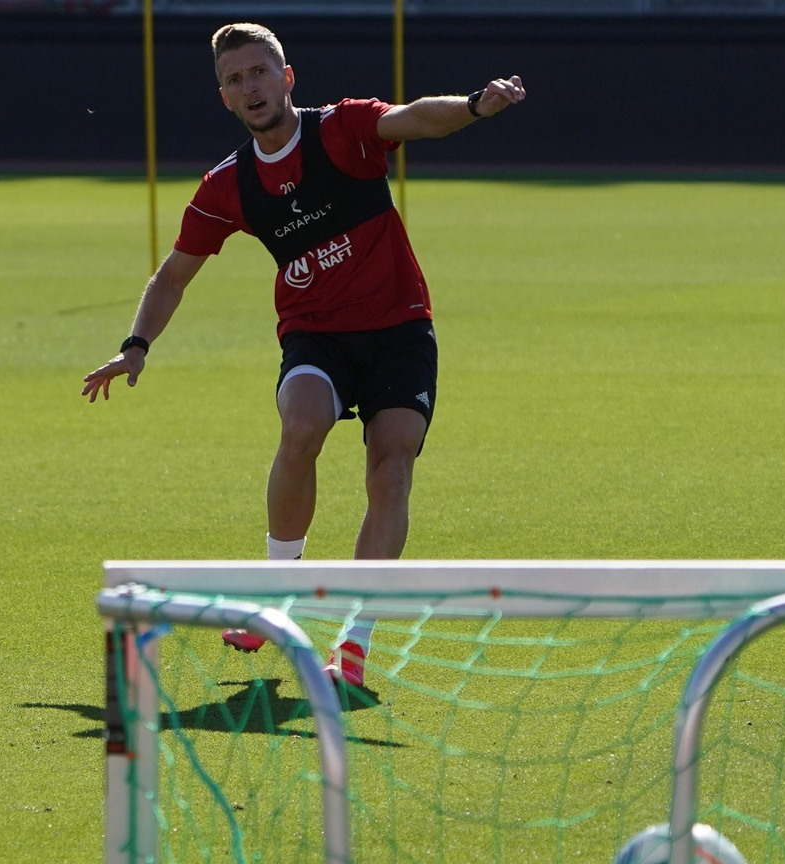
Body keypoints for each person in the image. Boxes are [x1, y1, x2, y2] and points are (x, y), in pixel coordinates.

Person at [82, 22, 525, 688]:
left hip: (400, 327)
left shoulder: (342, 129)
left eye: (260, 72)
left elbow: (413, 120)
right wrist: (135, 346)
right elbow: (173, 274)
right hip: (316, 333)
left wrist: (472, 106)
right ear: (225, 99)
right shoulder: (227, 185)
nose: (250, 87)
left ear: (286, 77)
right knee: (303, 423)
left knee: (392, 466)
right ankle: (275, 591)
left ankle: (353, 642)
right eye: (235, 80)